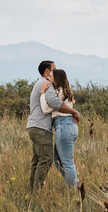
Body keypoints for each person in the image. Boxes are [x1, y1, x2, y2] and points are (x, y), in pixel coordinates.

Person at [27, 61, 81, 191]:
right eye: (52, 71)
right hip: (43, 127)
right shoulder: (46, 85)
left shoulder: (47, 86)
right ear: (46, 72)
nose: (53, 73)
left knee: (43, 160)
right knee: (47, 160)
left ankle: (35, 190)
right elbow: (53, 103)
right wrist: (74, 112)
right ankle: (38, 191)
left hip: (42, 126)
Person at [40, 69, 79, 187]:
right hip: (69, 126)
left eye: (50, 76)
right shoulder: (66, 91)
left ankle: (73, 188)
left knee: (67, 162)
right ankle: (71, 183)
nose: (48, 78)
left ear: (56, 78)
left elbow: (45, 109)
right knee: (58, 162)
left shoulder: (58, 92)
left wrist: (42, 93)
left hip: (63, 126)